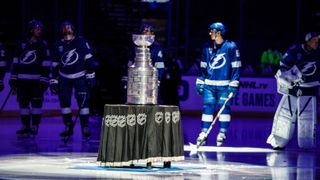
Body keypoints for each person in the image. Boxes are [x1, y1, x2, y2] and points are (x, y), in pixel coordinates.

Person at [267, 32, 320, 149]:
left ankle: (306, 143)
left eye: (318, 40)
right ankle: (279, 141)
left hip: (310, 89)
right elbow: (283, 65)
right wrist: (286, 77)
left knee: (308, 118)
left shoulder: (318, 53)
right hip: (293, 88)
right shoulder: (295, 51)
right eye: (314, 40)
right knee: (285, 114)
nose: (316, 42)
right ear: (307, 41)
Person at [195, 22, 241, 146]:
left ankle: (222, 132)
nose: (210, 33)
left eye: (212, 31)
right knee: (207, 107)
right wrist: (200, 81)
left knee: (223, 108)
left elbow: (236, 67)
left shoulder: (231, 47)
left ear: (219, 32)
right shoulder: (206, 47)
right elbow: (203, 66)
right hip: (209, 85)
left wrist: (234, 84)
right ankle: (204, 132)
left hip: (225, 85)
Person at [50, 21, 98, 139]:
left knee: (83, 103)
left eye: (69, 27)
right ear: (61, 30)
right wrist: (54, 80)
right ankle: (68, 126)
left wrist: (91, 74)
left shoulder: (81, 41)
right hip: (64, 77)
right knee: (64, 102)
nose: (67, 29)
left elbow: (89, 59)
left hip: (80, 76)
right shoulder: (57, 45)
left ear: (74, 29)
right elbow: (55, 65)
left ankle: (85, 127)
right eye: (64, 28)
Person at [9, 19, 51, 136]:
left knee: (36, 104)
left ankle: (34, 126)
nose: (40, 31)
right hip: (22, 81)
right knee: (23, 104)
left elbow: (46, 63)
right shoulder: (21, 43)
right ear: (31, 29)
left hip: (36, 81)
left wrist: (44, 79)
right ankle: (25, 126)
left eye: (41, 29)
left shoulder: (43, 45)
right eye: (37, 28)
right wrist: (13, 77)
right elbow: (16, 61)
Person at [121, 23, 165, 103]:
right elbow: (130, 64)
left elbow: (160, 67)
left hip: (150, 80)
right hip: (136, 80)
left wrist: (157, 80)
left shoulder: (156, 48)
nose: (144, 32)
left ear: (152, 34)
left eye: (147, 30)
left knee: (151, 101)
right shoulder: (135, 46)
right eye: (143, 30)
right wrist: (125, 77)